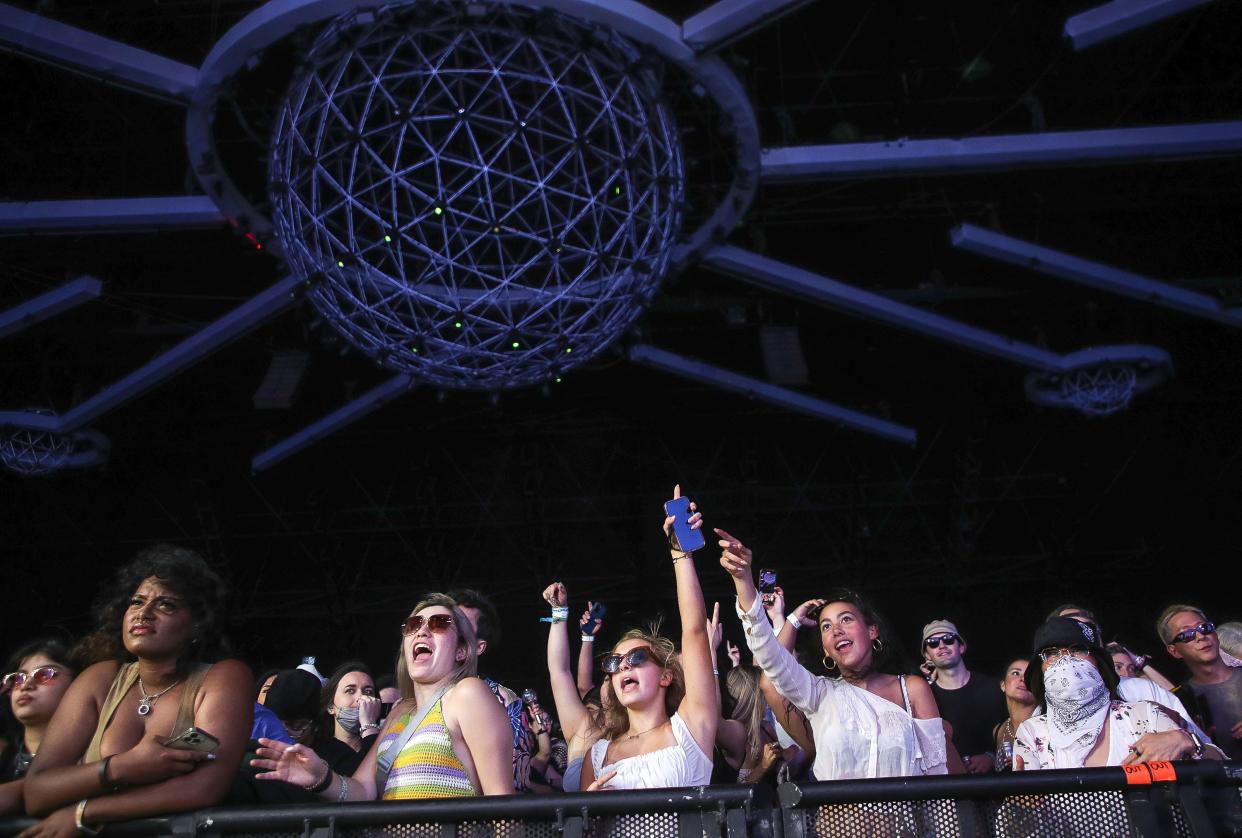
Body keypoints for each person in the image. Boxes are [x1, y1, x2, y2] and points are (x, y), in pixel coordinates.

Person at [22, 544, 253, 834]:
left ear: (197, 624)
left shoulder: (224, 677)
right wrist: (121, 767)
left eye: (166, 604)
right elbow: (37, 792)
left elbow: (205, 787)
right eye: (136, 602)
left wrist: (84, 812)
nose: (144, 613)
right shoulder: (100, 679)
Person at [720, 532, 949, 780]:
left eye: (846, 620)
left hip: (900, 820)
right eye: (826, 626)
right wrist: (745, 582)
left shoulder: (912, 689)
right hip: (835, 819)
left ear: (872, 631)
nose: (836, 629)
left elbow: (937, 774)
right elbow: (770, 660)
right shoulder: (818, 693)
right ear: (827, 649)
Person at [252, 593, 513, 800]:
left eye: (438, 624)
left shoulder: (468, 694)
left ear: (461, 651)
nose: (421, 631)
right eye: (414, 624)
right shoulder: (400, 713)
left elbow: (503, 807)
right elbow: (363, 791)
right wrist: (321, 777)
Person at [580, 485, 717, 791]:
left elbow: (694, 631)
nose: (624, 667)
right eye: (616, 663)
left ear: (666, 675)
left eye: (637, 658)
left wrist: (680, 555)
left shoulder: (691, 726)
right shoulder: (598, 754)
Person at [1013, 617, 1223, 769]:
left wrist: (1188, 742)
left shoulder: (1144, 714)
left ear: (1099, 664)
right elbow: (1023, 825)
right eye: (1051, 653)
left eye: (1078, 650)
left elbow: (1223, 768)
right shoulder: (1032, 732)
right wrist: (1021, 809)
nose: (1066, 661)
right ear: (1040, 670)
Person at [447, 588, 533, 793]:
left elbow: (514, 786)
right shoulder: (411, 701)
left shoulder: (505, 702)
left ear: (478, 647)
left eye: (461, 625)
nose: (450, 629)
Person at [540, 582, 605, 792]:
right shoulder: (583, 726)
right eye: (608, 677)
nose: (618, 674)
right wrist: (558, 612)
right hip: (578, 824)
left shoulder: (644, 728)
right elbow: (559, 671)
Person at [0, 640, 77, 815]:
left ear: (79, 683)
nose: (26, 685)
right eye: (17, 678)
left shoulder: (97, 750)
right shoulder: (2, 753)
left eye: (45, 674)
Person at [920, 619, 1006, 774]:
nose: (941, 646)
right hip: (949, 790)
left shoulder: (993, 686)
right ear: (927, 655)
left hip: (998, 785)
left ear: (961, 646)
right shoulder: (925, 697)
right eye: (933, 643)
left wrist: (992, 757)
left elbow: (1014, 730)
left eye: (948, 639)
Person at [1157, 604, 1242, 760]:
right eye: (1187, 635)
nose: (1200, 636)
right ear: (1174, 651)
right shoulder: (1178, 701)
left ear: (1215, 634)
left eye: (1204, 628)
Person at [717, 665, 782, 784]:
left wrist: (785, 756)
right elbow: (732, 793)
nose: (768, 698)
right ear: (754, 698)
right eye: (764, 692)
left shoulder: (765, 728)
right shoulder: (727, 734)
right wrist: (763, 767)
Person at [314, 662, 382, 776]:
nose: (361, 698)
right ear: (330, 707)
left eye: (368, 691)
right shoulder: (318, 754)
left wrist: (369, 726)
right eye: (350, 691)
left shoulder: (388, 744)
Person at [990, 658, 1035, 772]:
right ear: (1003, 685)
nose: (1023, 679)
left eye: (1030, 674)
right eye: (1016, 673)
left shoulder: (1047, 727)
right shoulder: (999, 730)